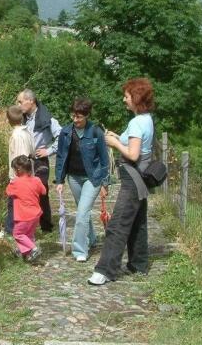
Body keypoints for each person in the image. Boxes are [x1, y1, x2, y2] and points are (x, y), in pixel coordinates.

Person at [88, 78, 155, 285]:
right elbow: (138, 144)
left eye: (126, 96)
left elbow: (133, 155)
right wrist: (120, 137)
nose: (124, 99)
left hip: (132, 179)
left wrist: (114, 142)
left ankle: (106, 270)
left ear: (135, 98)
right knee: (137, 222)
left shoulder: (136, 122)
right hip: (140, 179)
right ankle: (138, 263)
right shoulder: (146, 119)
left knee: (118, 224)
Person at [55, 98, 110, 262]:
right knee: (82, 211)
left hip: (92, 179)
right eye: (73, 116)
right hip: (74, 178)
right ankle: (91, 239)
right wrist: (59, 180)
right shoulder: (65, 133)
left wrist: (104, 183)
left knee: (81, 213)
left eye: (79, 117)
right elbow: (60, 158)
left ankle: (79, 250)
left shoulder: (95, 132)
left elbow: (104, 159)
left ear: (87, 115)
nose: (75, 120)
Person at [16, 89, 62, 233]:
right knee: (25, 192)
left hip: (39, 160)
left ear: (31, 101)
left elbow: (62, 137)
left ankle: (46, 225)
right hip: (24, 161)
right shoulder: (21, 118)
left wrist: (48, 151)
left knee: (42, 190)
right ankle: (28, 224)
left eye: (20, 101)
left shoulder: (47, 119)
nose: (18, 105)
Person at [6, 155, 46, 261]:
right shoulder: (36, 180)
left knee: (18, 233)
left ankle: (34, 249)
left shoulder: (15, 182)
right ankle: (26, 253)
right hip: (36, 214)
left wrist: (12, 182)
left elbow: (8, 192)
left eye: (14, 169)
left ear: (18, 170)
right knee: (28, 234)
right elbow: (43, 191)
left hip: (24, 215)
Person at [4, 105, 35, 235]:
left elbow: (21, 158)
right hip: (28, 174)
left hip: (19, 176)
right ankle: (24, 229)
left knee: (14, 204)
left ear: (9, 120)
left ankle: (11, 230)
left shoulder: (17, 135)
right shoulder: (27, 132)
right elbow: (32, 151)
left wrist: (16, 178)